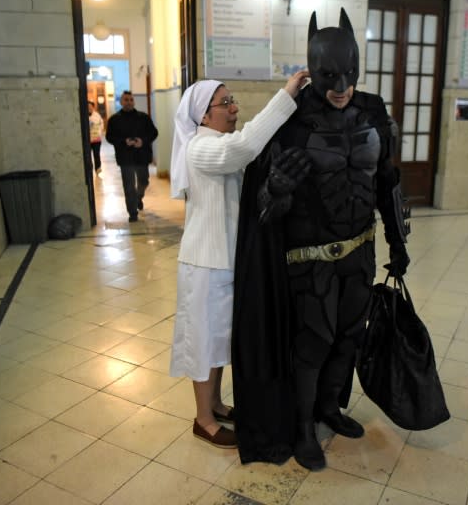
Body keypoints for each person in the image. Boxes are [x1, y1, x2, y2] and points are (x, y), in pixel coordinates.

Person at [232, 8, 410, 470]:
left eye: (350, 75)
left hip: (361, 249)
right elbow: (264, 210)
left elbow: (386, 181)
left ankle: (330, 408)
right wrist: (278, 188)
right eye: (330, 77)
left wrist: (398, 241)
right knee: (312, 343)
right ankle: (302, 428)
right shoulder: (290, 119)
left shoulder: (372, 110)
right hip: (309, 257)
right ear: (312, 69)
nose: (341, 88)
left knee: (349, 337)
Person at [169, 71, 310, 449]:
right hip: (205, 262)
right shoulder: (201, 148)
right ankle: (203, 420)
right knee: (202, 341)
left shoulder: (218, 141)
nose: (233, 109)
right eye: (225, 103)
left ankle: (214, 403)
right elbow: (246, 147)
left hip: (225, 259)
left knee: (217, 339)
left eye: (232, 101)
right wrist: (286, 95)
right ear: (203, 115)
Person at [105, 91, 159, 222]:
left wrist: (143, 141)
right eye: (125, 100)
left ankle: (138, 197)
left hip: (142, 156)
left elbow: (153, 133)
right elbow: (109, 137)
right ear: (121, 102)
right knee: (129, 185)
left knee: (144, 181)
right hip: (125, 157)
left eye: (130, 100)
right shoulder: (114, 119)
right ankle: (132, 212)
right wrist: (124, 142)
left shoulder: (143, 117)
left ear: (134, 101)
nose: (128, 102)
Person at [87, 101, 104, 177]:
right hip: (87, 140)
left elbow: (101, 125)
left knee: (96, 154)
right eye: (87, 107)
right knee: (88, 155)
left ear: (93, 107)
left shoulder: (97, 115)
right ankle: (89, 169)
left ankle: (98, 169)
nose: (89, 108)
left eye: (90, 107)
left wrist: (99, 133)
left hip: (96, 140)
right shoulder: (83, 115)